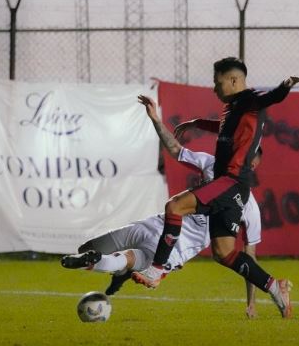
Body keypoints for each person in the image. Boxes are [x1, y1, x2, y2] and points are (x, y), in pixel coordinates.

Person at [132, 57, 299, 319]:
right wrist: (197, 123)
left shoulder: (249, 100)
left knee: (174, 206)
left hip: (231, 181)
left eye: (218, 82)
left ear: (234, 80)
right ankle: (274, 286)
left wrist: (286, 84)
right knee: (223, 253)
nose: (214, 88)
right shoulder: (234, 108)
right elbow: (224, 127)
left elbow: (272, 97)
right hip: (233, 186)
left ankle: (157, 270)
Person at [61, 100, 263, 318]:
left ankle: (112, 265)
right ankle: (117, 267)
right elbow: (249, 260)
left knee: (94, 251)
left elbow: (176, 149)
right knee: (127, 259)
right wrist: (251, 302)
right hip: (172, 249)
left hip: (155, 224)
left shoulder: (211, 164)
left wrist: (156, 119)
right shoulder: (248, 204)